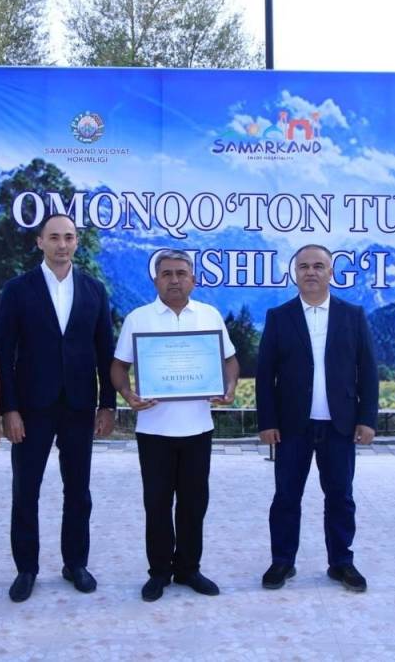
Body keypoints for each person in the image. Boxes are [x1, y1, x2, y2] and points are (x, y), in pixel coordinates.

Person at [0, 213, 116, 603]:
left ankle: (75, 563)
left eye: (69, 237)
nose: (62, 244)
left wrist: (107, 404)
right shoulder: (17, 290)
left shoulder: (94, 290)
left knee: (78, 490)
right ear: (40, 242)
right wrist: (8, 409)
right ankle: (26, 569)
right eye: (54, 237)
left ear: (77, 242)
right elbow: (2, 354)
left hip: (79, 406)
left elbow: (105, 352)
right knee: (25, 490)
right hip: (31, 408)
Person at [111, 249, 239, 602]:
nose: (174, 280)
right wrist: (127, 394)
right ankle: (158, 573)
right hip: (154, 430)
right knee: (157, 504)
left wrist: (229, 387)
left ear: (193, 280)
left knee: (194, 504)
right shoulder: (138, 319)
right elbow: (118, 366)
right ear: (155, 280)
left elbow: (230, 361)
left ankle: (188, 569)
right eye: (166, 274)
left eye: (181, 273)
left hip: (198, 428)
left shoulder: (209, 315)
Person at [256, 244, 379, 592]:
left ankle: (341, 562)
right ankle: (282, 561)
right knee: (286, 496)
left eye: (318, 266)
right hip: (291, 426)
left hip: (340, 424)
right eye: (304, 266)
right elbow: (265, 375)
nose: (310, 272)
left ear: (330, 273)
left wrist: (367, 418)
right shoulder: (279, 317)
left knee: (340, 496)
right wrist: (267, 421)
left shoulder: (352, 315)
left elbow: (368, 370)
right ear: (294, 273)